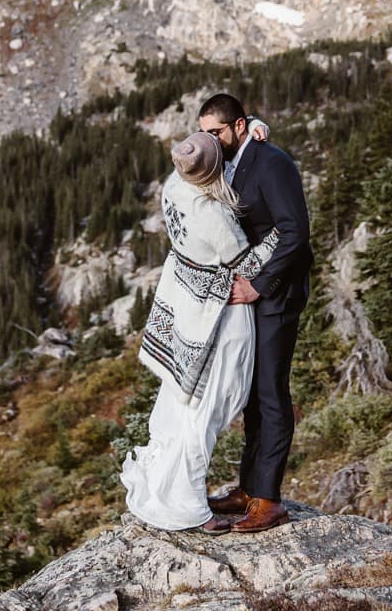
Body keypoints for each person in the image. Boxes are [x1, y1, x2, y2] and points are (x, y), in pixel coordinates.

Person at [121, 128, 279, 532]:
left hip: (185, 300)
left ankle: (168, 487)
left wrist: (252, 125)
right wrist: (279, 233)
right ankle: (189, 506)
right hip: (218, 313)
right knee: (207, 407)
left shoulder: (175, 184)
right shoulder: (212, 214)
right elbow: (246, 264)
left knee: (180, 402)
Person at [198, 92, 312, 534]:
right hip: (250, 294)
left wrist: (260, 287)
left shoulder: (273, 163)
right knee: (251, 393)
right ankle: (248, 488)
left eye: (216, 132)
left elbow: (295, 233)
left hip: (276, 296)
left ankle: (269, 500)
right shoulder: (231, 157)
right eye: (205, 133)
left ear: (239, 126)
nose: (210, 140)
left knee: (271, 392)